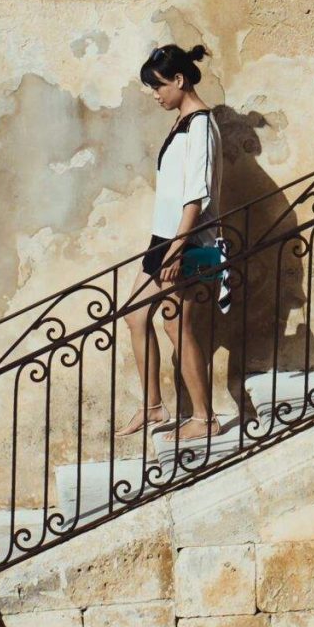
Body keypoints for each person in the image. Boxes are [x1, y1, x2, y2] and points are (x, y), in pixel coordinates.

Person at [122, 42, 231, 445]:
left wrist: (176, 251)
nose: (155, 94)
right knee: (135, 315)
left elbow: (195, 198)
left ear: (180, 81)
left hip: (185, 241)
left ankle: (205, 419)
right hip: (164, 238)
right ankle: (153, 406)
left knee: (177, 326)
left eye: (158, 86)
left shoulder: (200, 126)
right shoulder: (183, 122)